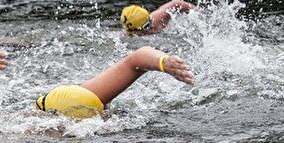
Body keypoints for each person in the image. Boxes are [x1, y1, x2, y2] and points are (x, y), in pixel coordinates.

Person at [37, 46, 193, 120]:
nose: (102, 115)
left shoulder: (93, 95)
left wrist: (164, 62)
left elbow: (136, 60)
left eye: (100, 112)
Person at [120, 0, 194, 34]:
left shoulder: (157, 18)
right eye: (146, 26)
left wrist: (197, 11)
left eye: (150, 21)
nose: (151, 27)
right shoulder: (129, 37)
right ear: (134, 31)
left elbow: (176, 3)